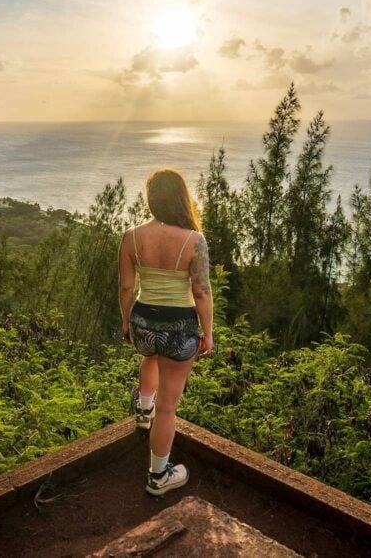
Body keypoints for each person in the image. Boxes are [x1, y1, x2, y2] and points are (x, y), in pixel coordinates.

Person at [118, 168, 214, 496]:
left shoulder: (131, 236)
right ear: (180, 198)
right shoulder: (194, 240)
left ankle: (143, 411)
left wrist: (127, 322)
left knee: (151, 356)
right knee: (169, 407)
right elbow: (201, 292)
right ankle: (158, 477)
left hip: (143, 322)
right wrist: (208, 333)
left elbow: (126, 286)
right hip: (179, 328)